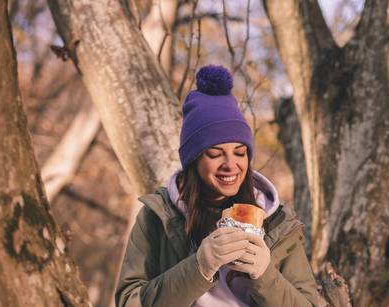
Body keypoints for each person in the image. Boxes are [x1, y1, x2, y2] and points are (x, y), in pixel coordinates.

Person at [115, 65, 320, 307]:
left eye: (240, 152)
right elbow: (129, 301)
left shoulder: (278, 221)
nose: (230, 165)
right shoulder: (158, 216)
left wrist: (266, 276)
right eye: (215, 154)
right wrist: (198, 267)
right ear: (194, 160)